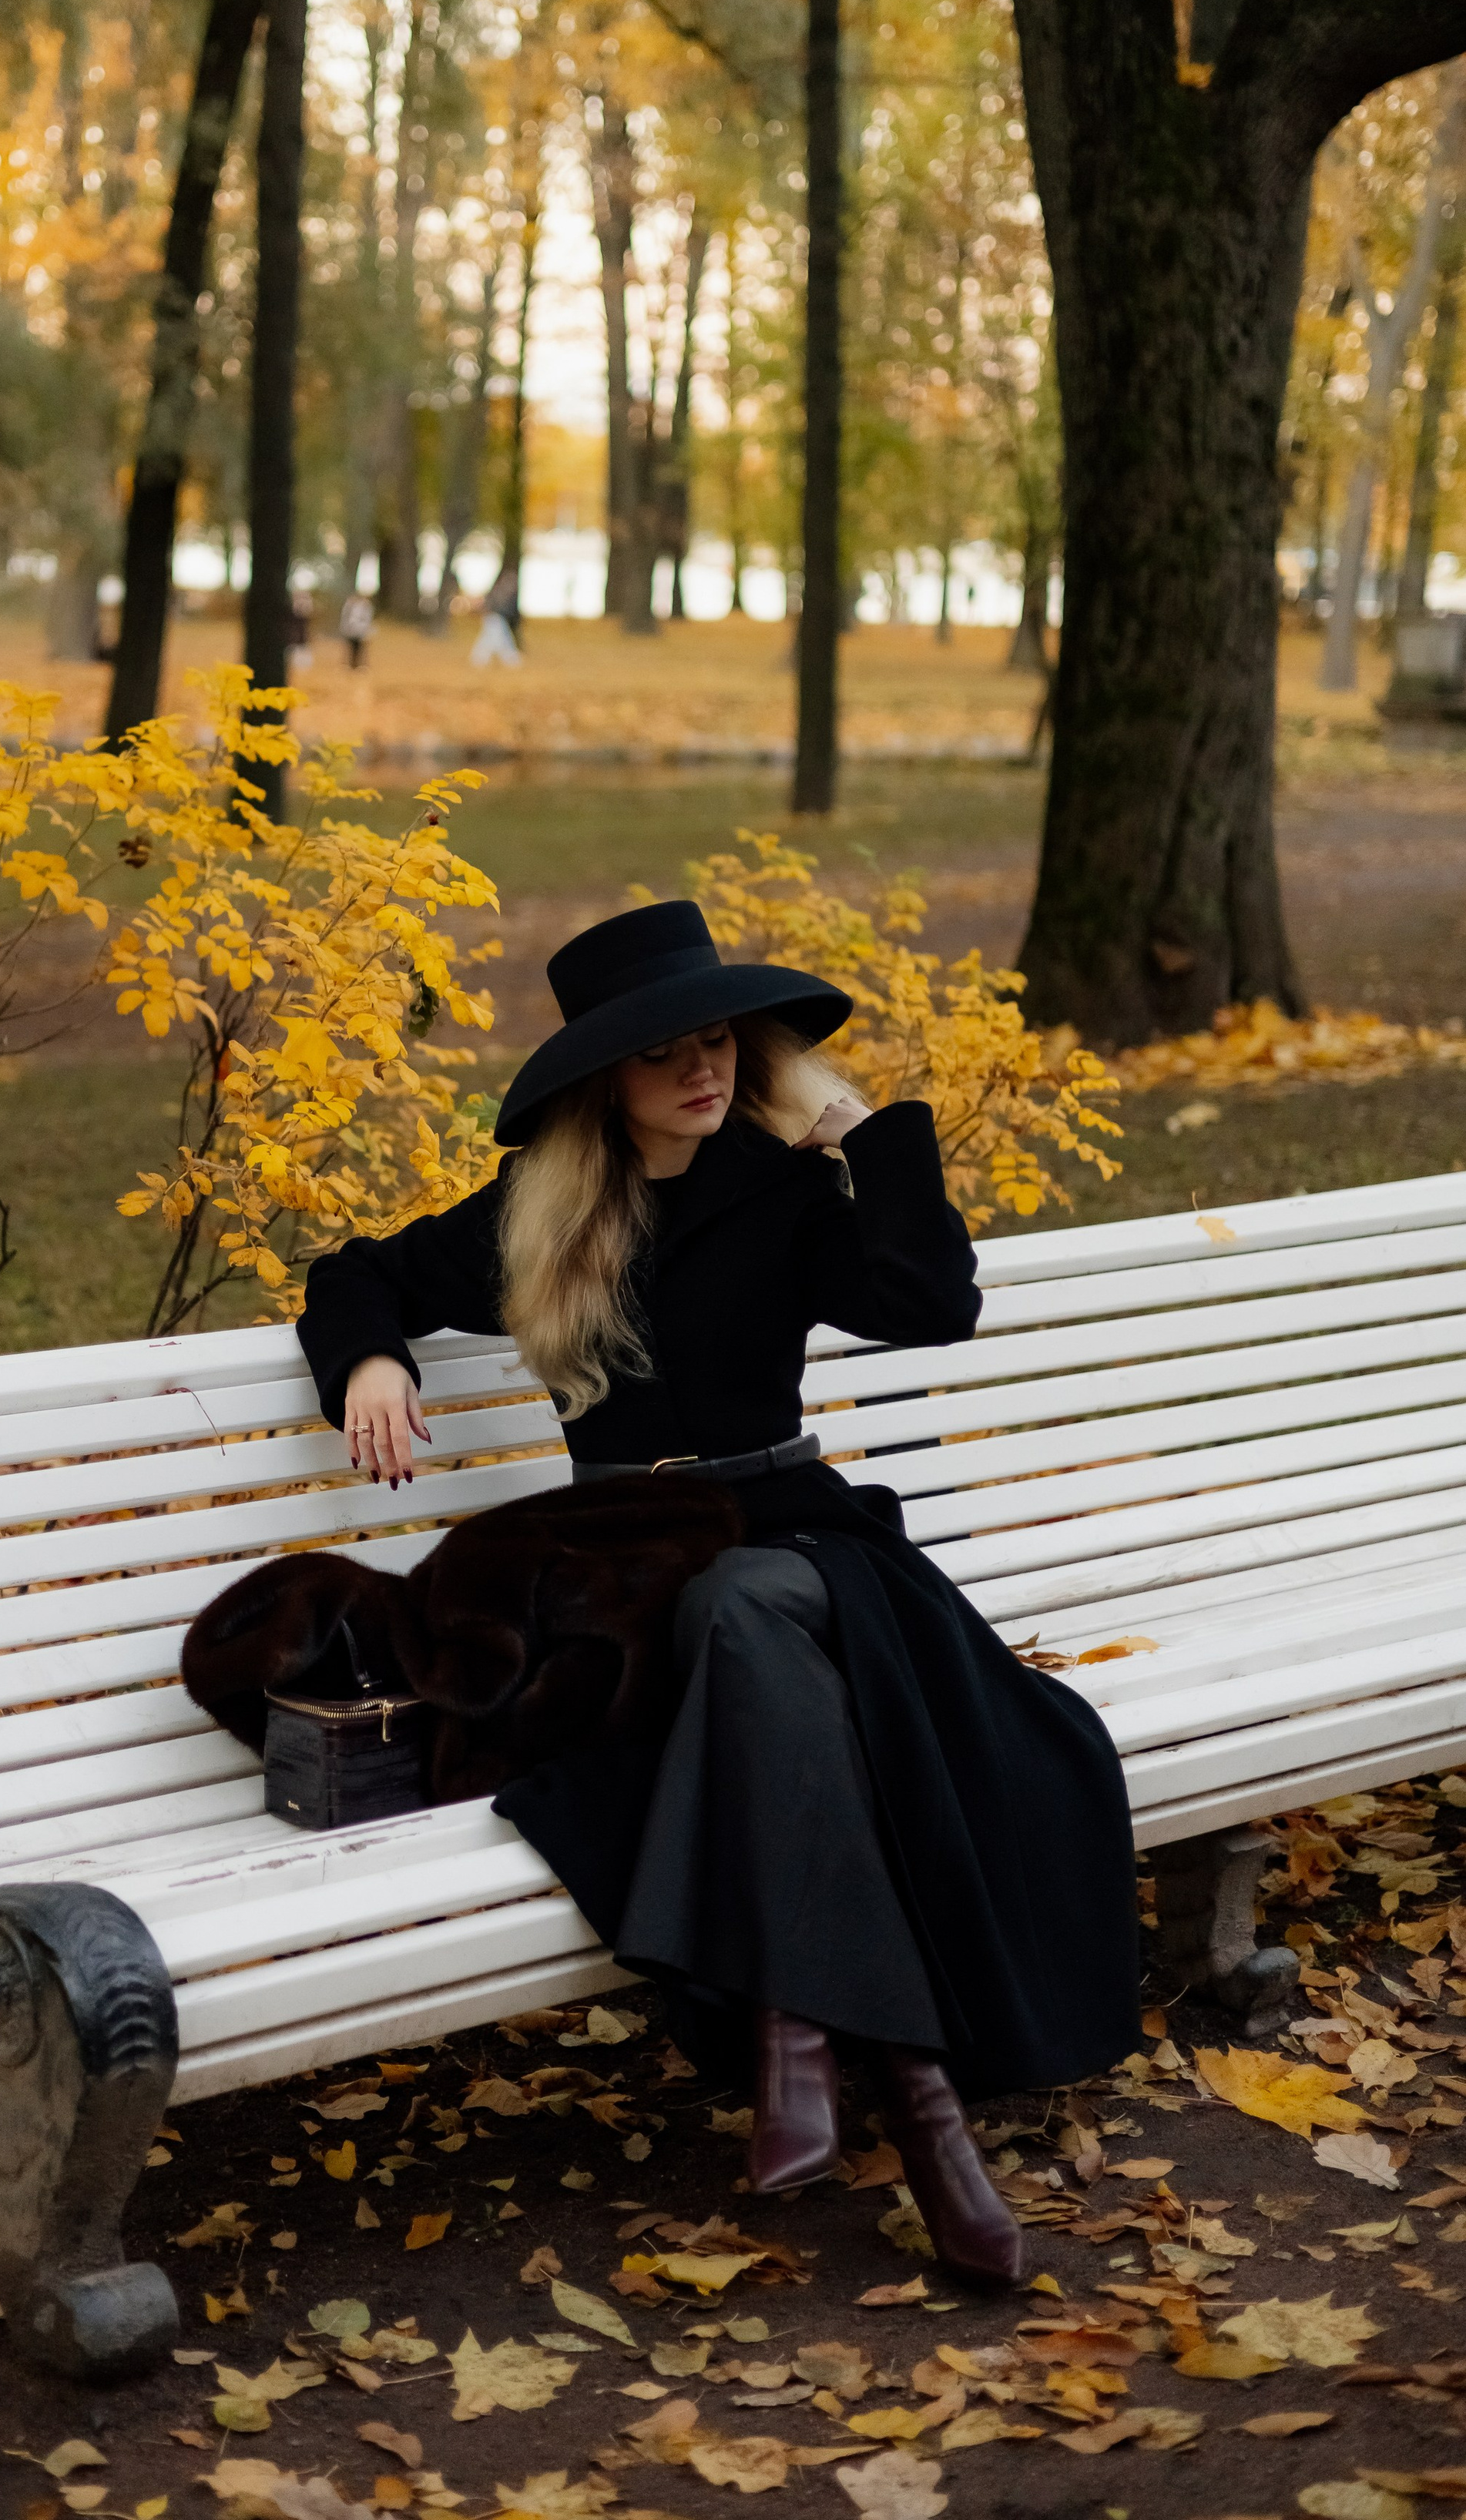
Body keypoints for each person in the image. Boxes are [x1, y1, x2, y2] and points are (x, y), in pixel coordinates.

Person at [297, 899, 1139, 2287]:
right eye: (665, 1055)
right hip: (620, 1564)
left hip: (802, 1535)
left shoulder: (782, 1189)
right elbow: (358, 1275)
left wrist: (854, 1123)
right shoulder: (539, 1214)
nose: (703, 1072)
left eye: (721, 1044)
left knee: (751, 1606)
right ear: (601, 1082)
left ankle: (818, 2052)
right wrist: (372, 1363)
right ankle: (913, 2111)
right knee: (741, 1638)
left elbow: (932, 1303)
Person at [471, 570, 522, 665]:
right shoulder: (501, 593)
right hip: (494, 618)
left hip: (495, 618)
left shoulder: (498, 592)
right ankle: (511, 661)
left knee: (496, 640)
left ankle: (480, 659)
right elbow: (492, 606)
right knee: (498, 640)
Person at [338, 588, 375, 670]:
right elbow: (346, 618)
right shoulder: (349, 605)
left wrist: (367, 630)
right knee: (350, 648)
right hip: (350, 630)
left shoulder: (366, 606)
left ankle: (360, 665)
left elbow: (368, 619)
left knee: (360, 648)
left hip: (360, 630)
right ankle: (349, 664)